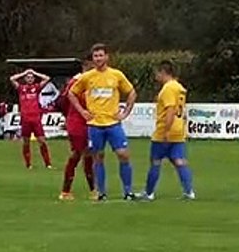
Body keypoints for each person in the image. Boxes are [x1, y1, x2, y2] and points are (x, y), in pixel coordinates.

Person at [68, 43, 137, 201]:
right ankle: (102, 192)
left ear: (107, 57)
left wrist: (126, 112)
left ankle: (128, 191)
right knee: (98, 156)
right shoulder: (87, 77)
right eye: (95, 56)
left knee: (123, 154)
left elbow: (131, 92)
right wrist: (82, 111)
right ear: (93, 59)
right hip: (95, 124)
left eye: (101, 55)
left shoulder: (116, 75)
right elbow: (71, 94)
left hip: (113, 123)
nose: (98, 58)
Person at [144, 61, 195, 200]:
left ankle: (149, 193)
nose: (156, 76)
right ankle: (189, 192)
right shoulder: (179, 87)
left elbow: (171, 109)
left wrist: (166, 130)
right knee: (179, 161)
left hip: (165, 131)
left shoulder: (168, 88)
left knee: (155, 161)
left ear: (163, 72)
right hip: (178, 130)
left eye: (157, 73)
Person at [57, 58, 96, 200]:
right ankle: (66, 191)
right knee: (79, 154)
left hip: (90, 123)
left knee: (87, 154)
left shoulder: (95, 82)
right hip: (77, 123)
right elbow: (61, 102)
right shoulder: (75, 83)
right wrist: (68, 119)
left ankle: (92, 190)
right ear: (85, 68)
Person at [10, 69, 53, 169]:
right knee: (26, 141)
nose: (30, 79)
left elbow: (47, 78)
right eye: (28, 77)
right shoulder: (21, 88)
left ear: (34, 79)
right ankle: (28, 164)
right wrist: (24, 72)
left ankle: (48, 163)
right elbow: (12, 79)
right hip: (25, 119)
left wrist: (34, 72)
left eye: (31, 77)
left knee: (42, 141)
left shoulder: (36, 88)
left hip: (36, 119)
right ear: (25, 79)